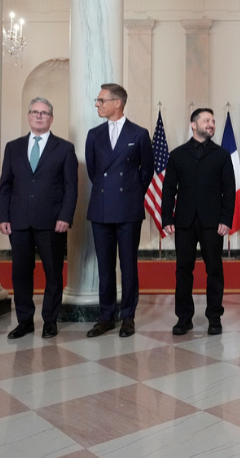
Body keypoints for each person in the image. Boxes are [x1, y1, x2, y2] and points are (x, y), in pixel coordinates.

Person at [0, 98, 77, 339]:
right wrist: (3, 216)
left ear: (51, 118)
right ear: (29, 116)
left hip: (52, 222)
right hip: (18, 220)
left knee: (53, 273)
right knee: (20, 273)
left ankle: (50, 320)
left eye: (44, 113)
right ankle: (24, 321)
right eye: (34, 112)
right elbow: (5, 185)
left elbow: (71, 187)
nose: (39, 116)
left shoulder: (64, 148)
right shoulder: (13, 147)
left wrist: (65, 216)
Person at [85, 83, 154, 338]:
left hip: (128, 208)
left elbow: (146, 171)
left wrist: (131, 193)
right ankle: (106, 317)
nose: (97, 104)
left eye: (101, 100)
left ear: (118, 103)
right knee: (105, 267)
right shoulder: (94, 134)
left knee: (128, 266)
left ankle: (128, 317)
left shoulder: (139, 133)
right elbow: (93, 172)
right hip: (101, 208)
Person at [162, 108, 235, 336]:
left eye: (213, 121)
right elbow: (167, 190)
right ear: (193, 125)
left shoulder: (222, 155)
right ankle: (184, 318)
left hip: (213, 223)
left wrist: (226, 219)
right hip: (183, 221)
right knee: (183, 270)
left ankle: (214, 317)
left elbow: (229, 191)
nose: (211, 124)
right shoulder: (177, 155)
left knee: (214, 270)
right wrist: (166, 218)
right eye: (206, 120)